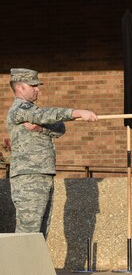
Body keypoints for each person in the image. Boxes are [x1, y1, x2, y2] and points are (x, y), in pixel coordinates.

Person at [6, 68, 97, 238]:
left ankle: (34, 264)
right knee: (28, 231)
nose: (37, 89)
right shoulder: (20, 109)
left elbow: (59, 128)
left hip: (43, 175)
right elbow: (46, 115)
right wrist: (76, 113)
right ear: (20, 88)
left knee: (41, 231)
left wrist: (41, 128)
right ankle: (22, 265)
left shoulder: (34, 113)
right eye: (32, 85)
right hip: (28, 176)